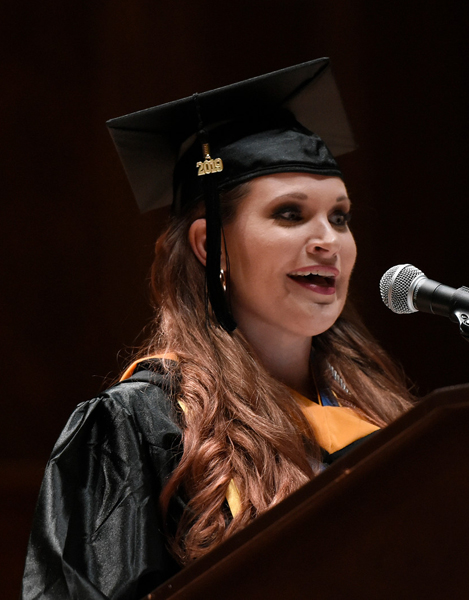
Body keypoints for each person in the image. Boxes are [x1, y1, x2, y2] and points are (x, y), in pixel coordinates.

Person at [21, 58, 413, 600]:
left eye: (340, 216)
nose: (328, 240)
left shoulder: (382, 416)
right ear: (210, 246)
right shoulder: (142, 426)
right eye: (290, 214)